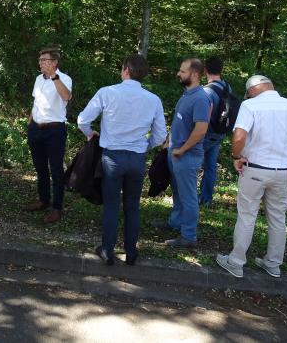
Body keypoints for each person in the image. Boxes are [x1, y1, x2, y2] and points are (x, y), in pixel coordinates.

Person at [216, 75, 287, 278]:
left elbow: (239, 136)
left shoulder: (250, 106)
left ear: (252, 90)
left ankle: (236, 262)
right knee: (277, 218)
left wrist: (236, 156)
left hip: (255, 169)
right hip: (283, 173)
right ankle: (273, 264)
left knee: (247, 216)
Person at [77, 54, 166, 266]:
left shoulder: (108, 93)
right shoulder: (153, 100)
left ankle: (107, 250)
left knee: (111, 205)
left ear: (125, 70)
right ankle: (131, 252)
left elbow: (83, 120)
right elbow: (161, 135)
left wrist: (90, 134)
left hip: (112, 157)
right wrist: (145, 145)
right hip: (136, 158)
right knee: (133, 205)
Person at [153, 59, 210, 248]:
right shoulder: (187, 94)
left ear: (194, 75)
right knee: (178, 193)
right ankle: (175, 223)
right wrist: (169, 142)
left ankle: (189, 236)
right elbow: (180, 122)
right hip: (175, 152)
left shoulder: (201, 98)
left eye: (182, 71)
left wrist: (182, 149)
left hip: (187, 156)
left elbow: (201, 130)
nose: (178, 73)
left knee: (188, 196)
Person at [24, 48, 72, 224]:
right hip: (36, 129)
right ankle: (43, 200)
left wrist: (54, 77)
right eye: (40, 60)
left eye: (44, 60)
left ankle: (57, 207)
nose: (41, 62)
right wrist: (30, 123)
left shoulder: (64, 78)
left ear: (54, 62)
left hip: (55, 131)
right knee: (40, 167)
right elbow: (36, 102)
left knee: (56, 170)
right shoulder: (38, 79)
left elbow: (66, 96)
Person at [198, 56, 233, 206]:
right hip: (220, 133)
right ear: (221, 69)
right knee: (211, 166)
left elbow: (203, 116)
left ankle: (191, 198)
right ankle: (206, 198)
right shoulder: (227, 87)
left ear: (205, 70)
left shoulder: (207, 91)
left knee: (192, 165)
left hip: (206, 133)